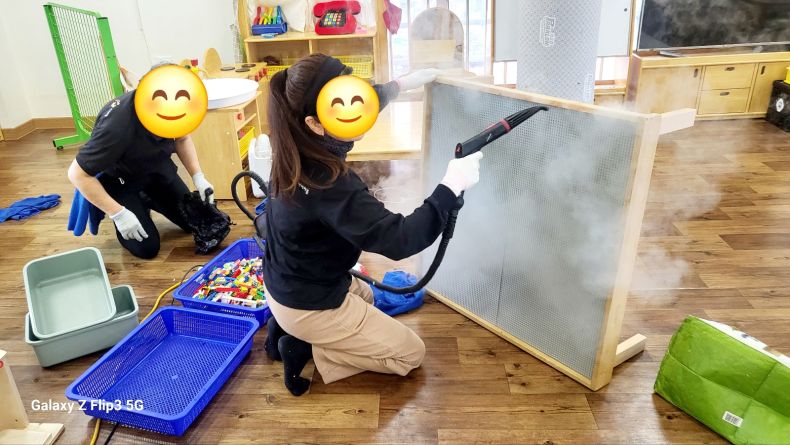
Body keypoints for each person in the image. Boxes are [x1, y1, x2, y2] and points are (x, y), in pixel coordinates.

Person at [262, 54, 484, 395]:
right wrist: (450, 187)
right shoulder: (330, 185)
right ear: (316, 123)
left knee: (367, 298)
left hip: (288, 282)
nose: (358, 106)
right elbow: (401, 239)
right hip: (307, 303)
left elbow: (358, 102)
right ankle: (305, 347)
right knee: (409, 354)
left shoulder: (292, 145)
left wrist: (402, 84)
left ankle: (289, 328)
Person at [67, 87, 213, 259]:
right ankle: (136, 204)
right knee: (147, 248)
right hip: (121, 180)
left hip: (157, 170)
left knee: (199, 222)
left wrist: (198, 177)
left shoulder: (175, 103)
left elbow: (183, 139)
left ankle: (148, 198)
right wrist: (119, 214)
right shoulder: (116, 126)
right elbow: (77, 174)